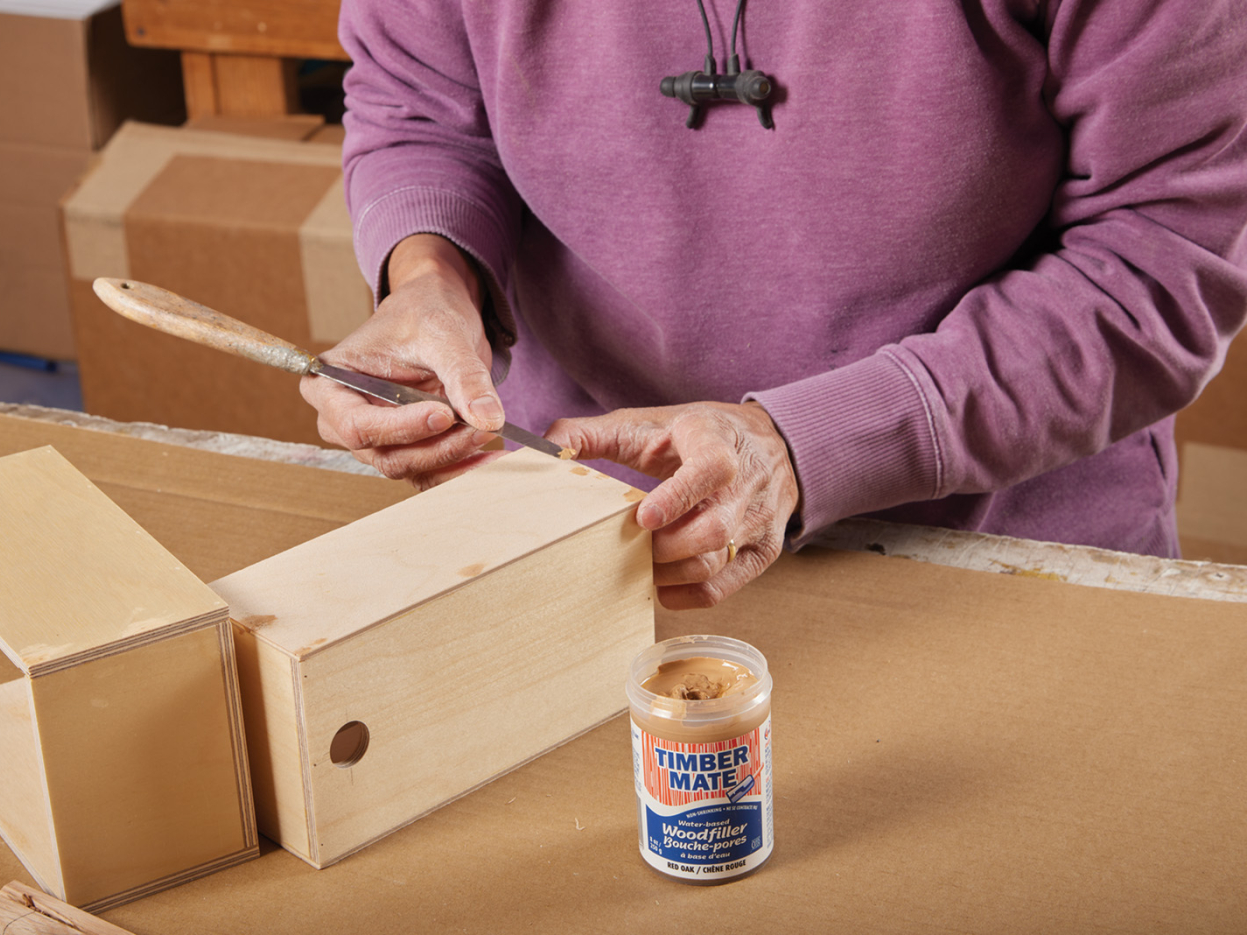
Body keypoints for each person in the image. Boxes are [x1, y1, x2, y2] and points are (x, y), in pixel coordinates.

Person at [301, 0, 1247, 610]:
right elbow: (421, 103)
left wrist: (808, 443)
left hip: (1003, 561)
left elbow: (1161, 256)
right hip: (597, 541)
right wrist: (427, 275)